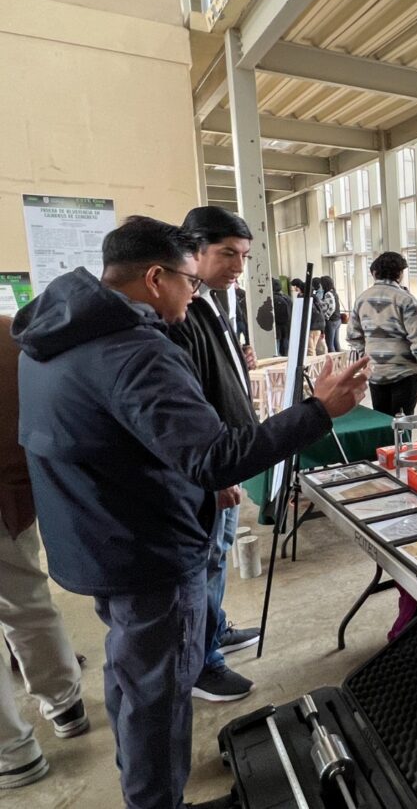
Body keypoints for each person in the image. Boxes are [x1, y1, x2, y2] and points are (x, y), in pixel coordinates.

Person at [11, 215, 369, 809]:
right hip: (145, 548)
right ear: (155, 278)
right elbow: (213, 456)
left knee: (131, 678)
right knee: (158, 697)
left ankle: (144, 794)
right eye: (187, 280)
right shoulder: (132, 350)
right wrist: (318, 410)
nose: (194, 291)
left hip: (92, 537)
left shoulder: (52, 337)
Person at [170, 206, 261, 705]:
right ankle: (203, 664)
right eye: (228, 253)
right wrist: (216, 475)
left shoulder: (214, 301)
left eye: (244, 256)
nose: (238, 266)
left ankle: (215, 627)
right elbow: (191, 402)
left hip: (228, 454)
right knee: (206, 560)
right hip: (212, 465)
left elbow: (212, 371)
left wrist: (237, 361)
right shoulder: (181, 312)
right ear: (195, 250)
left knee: (218, 556)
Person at [0, 315, 88, 791]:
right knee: (27, 602)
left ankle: (13, 752)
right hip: (14, 497)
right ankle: (66, 705)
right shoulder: (12, 333)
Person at [348, 251, 417, 417]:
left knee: (383, 423)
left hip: (376, 371)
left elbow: (353, 335)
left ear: (374, 273)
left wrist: (368, 357)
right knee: (402, 426)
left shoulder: (362, 299)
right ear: (400, 274)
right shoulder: (405, 299)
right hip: (405, 372)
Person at [318, 276, 342, 352]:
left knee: (330, 344)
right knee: (336, 342)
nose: (320, 286)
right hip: (337, 319)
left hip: (331, 321)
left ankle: (333, 362)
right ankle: (340, 362)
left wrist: (326, 317)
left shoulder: (328, 294)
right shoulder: (334, 292)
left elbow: (331, 308)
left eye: (321, 284)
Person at [272, 278, 291, 356]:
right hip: (287, 326)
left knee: (277, 346)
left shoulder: (272, 298)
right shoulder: (287, 298)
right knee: (286, 346)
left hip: (277, 327)